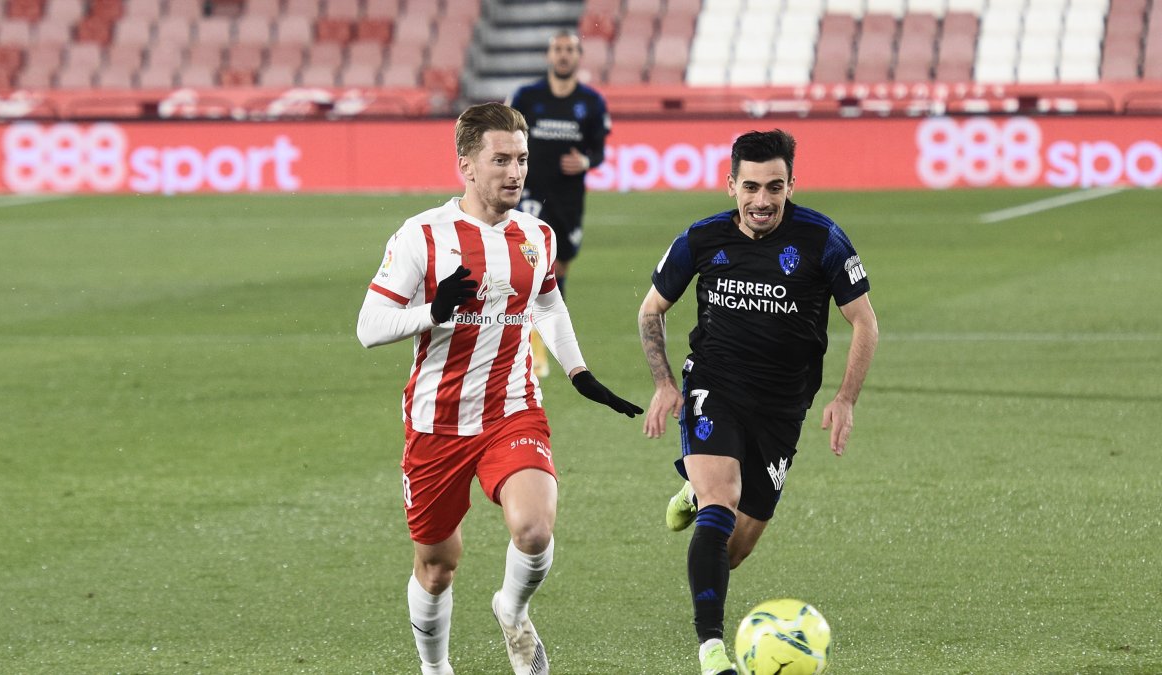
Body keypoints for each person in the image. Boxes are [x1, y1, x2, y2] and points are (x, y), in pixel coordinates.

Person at [357, 102, 641, 675]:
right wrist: (430, 313)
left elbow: (547, 301)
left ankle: (512, 611)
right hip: (437, 422)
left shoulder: (536, 235)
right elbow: (368, 328)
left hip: (512, 410)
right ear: (466, 164)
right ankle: (435, 669)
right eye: (501, 160)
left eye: (523, 159)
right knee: (437, 565)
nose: (516, 172)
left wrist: (579, 371)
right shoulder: (423, 237)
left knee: (534, 529)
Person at [636, 130, 878, 675]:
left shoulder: (823, 240)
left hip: (783, 409)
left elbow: (864, 322)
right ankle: (712, 651)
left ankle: (697, 489)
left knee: (736, 548)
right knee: (720, 504)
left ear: (793, 185)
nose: (762, 200)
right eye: (751, 187)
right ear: (731, 186)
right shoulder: (702, 239)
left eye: (775, 187)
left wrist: (845, 398)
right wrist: (664, 383)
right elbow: (651, 311)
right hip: (714, 385)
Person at [509, 29, 610, 377]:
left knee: (561, 266)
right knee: (529, 265)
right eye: (558, 49)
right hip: (529, 193)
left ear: (578, 56)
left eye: (569, 49)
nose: (563, 55)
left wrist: (584, 162)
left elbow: (598, 151)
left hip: (568, 198)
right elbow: (507, 136)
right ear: (549, 56)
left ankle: (546, 336)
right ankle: (531, 348)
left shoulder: (592, 102)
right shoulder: (527, 96)